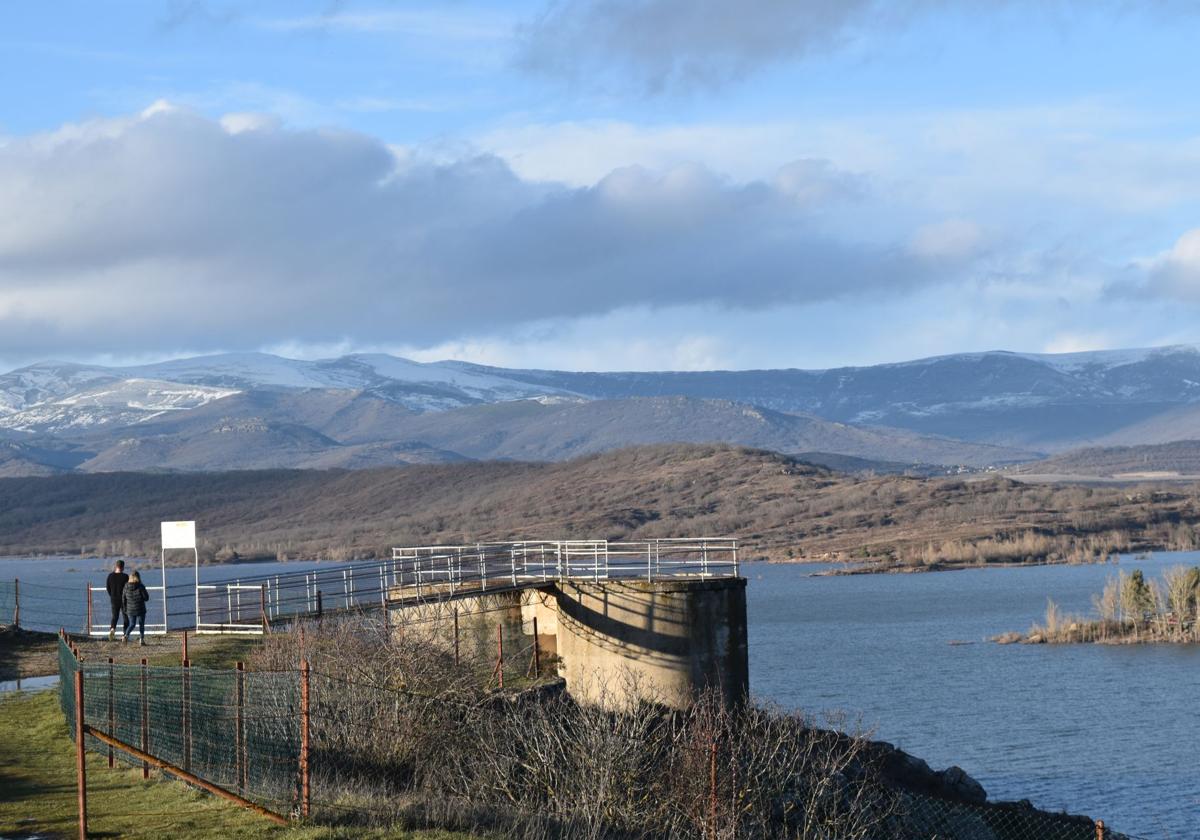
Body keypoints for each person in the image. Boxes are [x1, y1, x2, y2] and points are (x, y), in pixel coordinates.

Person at [122, 570, 151, 646]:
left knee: (132, 624)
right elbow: (146, 598)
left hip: (130, 609)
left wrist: (125, 609)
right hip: (140, 608)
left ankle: (126, 636)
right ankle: (141, 639)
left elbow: (123, 599)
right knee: (141, 624)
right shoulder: (141, 586)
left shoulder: (126, 586)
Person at [105, 560, 129, 641]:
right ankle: (125, 634)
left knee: (115, 616)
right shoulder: (125, 576)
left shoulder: (110, 576)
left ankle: (112, 629)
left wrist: (112, 595)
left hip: (114, 599)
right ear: (123, 567)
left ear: (116, 566)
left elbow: (108, 588)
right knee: (125, 617)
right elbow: (128, 589)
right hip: (124, 600)